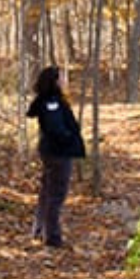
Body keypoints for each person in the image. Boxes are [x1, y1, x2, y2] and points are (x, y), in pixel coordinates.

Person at [26, 65, 86, 248]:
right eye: (62, 78)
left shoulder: (53, 100)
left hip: (53, 152)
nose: (65, 81)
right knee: (55, 195)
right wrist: (68, 140)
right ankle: (51, 236)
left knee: (47, 193)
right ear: (55, 81)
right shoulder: (51, 102)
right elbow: (54, 128)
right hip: (57, 153)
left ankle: (39, 230)